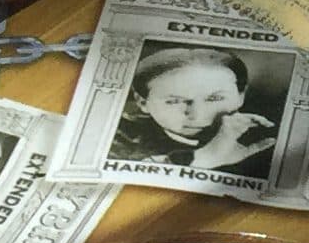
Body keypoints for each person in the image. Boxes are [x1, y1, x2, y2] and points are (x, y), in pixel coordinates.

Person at [108, 45, 276, 178]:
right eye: (174, 101)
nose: (197, 115)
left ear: (240, 96)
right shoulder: (117, 141)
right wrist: (205, 158)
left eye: (215, 98)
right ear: (142, 102)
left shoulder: (267, 141)